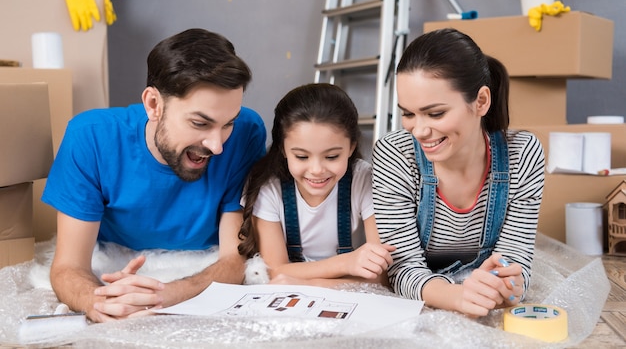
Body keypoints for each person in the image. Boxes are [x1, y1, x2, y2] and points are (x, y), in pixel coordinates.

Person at [42, 28, 267, 322]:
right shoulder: (91, 137)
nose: (217, 145)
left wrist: (164, 296)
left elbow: (234, 259)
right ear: (153, 104)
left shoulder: (247, 132)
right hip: (114, 260)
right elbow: (68, 266)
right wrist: (99, 302)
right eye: (200, 123)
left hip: (199, 266)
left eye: (228, 123)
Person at [372, 28, 545, 317]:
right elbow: (401, 268)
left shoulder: (522, 154)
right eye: (408, 113)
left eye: (435, 113)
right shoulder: (395, 154)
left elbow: (516, 262)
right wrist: (457, 296)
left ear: (480, 101)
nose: (419, 130)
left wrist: (504, 286)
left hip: (478, 293)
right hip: (428, 298)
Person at [238, 83, 394, 287]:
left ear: (351, 147)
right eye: (302, 156)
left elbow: (380, 274)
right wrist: (347, 263)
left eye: (331, 156)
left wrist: (305, 282)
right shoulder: (268, 187)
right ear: (283, 149)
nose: (317, 169)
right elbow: (275, 271)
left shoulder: (364, 179)